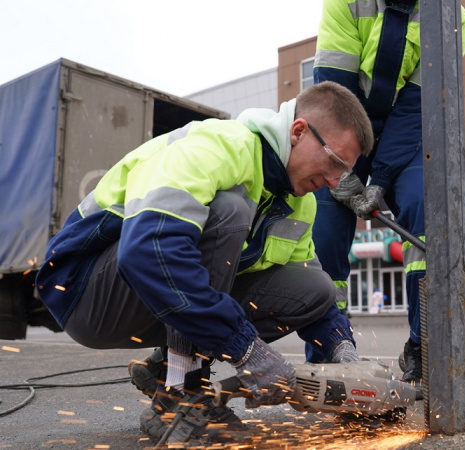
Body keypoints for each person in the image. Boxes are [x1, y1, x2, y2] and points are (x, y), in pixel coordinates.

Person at [34, 81, 374, 445]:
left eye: (345, 173)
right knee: (227, 210)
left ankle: (167, 367)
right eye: (335, 162)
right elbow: (149, 252)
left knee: (315, 288)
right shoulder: (219, 145)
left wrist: (342, 352)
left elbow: (312, 299)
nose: (335, 182)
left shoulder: (298, 202)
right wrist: (245, 347)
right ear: (298, 131)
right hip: (87, 292)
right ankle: (181, 393)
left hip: (149, 298)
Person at [309, 0, 465, 385]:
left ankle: (423, 343)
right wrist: (344, 171)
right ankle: (328, 351)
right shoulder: (346, 3)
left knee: (424, 207)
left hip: (407, 135)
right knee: (325, 235)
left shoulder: (451, 15)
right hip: (343, 129)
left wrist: (379, 178)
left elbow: (417, 106)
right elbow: (334, 92)